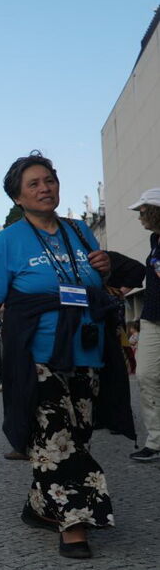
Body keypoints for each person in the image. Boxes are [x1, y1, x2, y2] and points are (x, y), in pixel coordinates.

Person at [0, 152, 135, 559]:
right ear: (18, 198)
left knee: (77, 433)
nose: (45, 188)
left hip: (85, 350)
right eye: (34, 184)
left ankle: (40, 506)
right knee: (56, 436)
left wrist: (105, 267)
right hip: (36, 352)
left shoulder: (79, 232)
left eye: (50, 180)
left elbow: (97, 283)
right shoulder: (10, 239)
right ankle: (74, 524)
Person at [128, 188, 160, 462]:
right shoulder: (155, 239)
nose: (139, 217)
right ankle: (156, 441)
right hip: (151, 317)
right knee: (146, 375)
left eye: (142, 211)